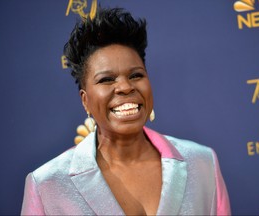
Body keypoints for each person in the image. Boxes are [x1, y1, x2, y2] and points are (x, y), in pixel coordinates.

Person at [21, 7, 231, 215]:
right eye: (106, 79)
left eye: (136, 75)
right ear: (85, 101)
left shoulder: (202, 163)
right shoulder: (47, 185)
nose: (125, 87)